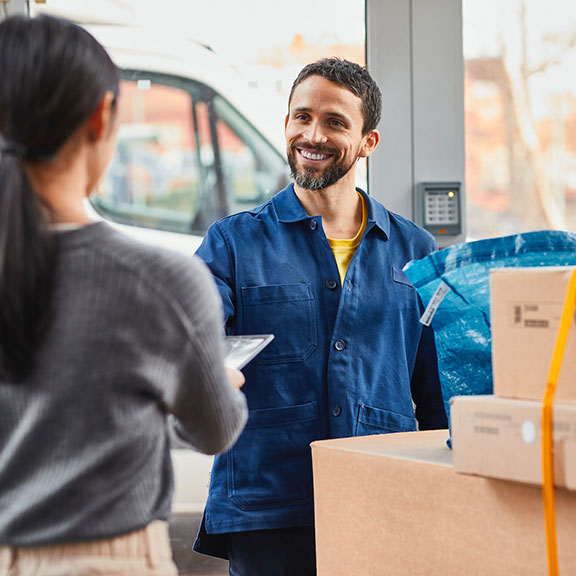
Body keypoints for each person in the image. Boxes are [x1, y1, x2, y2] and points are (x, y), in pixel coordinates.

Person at [0, 14, 247, 576]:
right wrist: (218, 379)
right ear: (101, 117)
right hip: (104, 561)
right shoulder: (163, 281)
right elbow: (213, 431)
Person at [193, 58, 448, 575]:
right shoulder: (232, 243)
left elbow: (436, 391)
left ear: (367, 142)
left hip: (382, 495)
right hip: (268, 504)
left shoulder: (416, 251)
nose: (313, 134)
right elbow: (189, 341)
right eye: (301, 117)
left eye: (335, 122)